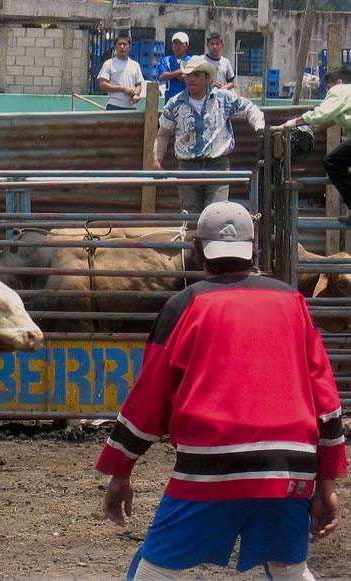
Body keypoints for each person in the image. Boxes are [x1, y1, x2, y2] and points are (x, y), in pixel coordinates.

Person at [97, 201, 347, 580]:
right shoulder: (293, 303)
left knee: (154, 572)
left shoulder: (184, 306)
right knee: (289, 570)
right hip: (289, 465)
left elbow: (148, 400)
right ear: (255, 248)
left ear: (197, 251)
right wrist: (326, 481)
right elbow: (325, 400)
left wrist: (120, 470)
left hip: (212, 465)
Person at [153, 55, 265, 214]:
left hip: (217, 165)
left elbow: (250, 109)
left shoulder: (223, 98)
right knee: (190, 217)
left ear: (207, 78)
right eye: (188, 75)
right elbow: (163, 134)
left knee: (215, 215)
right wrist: (157, 160)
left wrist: (260, 129)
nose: (190, 79)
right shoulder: (175, 103)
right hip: (187, 167)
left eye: (196, 75)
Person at [281, 64, 351, 225]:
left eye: (329, 89)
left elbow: (322, 114)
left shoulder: (341, 90)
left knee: (332, 162)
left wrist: (292, 123)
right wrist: (310, 128)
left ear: (339, 82)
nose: (328, 93)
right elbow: (330, 120)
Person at [98, 35, 144, 111]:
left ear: (130, 47)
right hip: (114, 105)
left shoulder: (135, 65)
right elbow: (102, 85)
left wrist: (136, 94)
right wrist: (122, 89)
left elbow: (138, 85)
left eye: (125, 44)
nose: (122, 47)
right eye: (119, 44)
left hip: (131, 107)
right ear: (115, 46)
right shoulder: (109, 64)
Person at [158, 32, 191, 102]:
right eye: (175, 43)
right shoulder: (166, 60)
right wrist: (181, 71)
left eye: (180, 43)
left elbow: (189, 79)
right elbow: (162, 76)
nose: (177, 46)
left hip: (186, 100)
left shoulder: (191, 60)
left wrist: (170, 74)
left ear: (187, 46)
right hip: (169, 99)